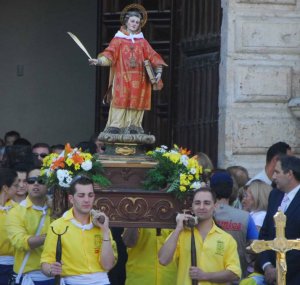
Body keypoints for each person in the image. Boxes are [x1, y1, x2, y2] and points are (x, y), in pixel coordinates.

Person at [89, 4, 167, 135]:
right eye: (132, 21)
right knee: (120, 99)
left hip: (140, 79)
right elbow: (109, 55)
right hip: (122, 77)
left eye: (137, 22)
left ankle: (134, 125)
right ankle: (116, 125)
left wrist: (158, 72)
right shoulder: (118, 39)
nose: (135, 24)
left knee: (136, 101)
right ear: (126, 21)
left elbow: (153, 56)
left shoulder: (142, 42)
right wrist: (98, 61)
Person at [41, 175, 117, 285]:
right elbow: (45, 263)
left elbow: (108, 265)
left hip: (102, 281)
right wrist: (51, 269)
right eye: (81, 195)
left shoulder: (102, 223)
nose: (86, 200)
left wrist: (105, 231)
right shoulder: (58, 226)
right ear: (71, 199)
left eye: (90, 195)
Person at [158, 188, 241, 285]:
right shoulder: (181, 233)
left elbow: (234, 273)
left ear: (215, 206)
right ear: (192, 206)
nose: (201, 207)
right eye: (197, 203)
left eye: (206, 203)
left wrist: (205, 275)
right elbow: (163, 260)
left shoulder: (227, 239)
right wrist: (178, 229)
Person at [6, 167, 54, 285]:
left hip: (56, 276)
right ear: (27, 185)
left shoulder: (57, 209)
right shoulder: (16, 212)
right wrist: (52, 236)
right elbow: (20, 242)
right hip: (28, 277)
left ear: (48, 184)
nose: (36, 183)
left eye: (41, 180)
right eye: (32, 181)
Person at [258, 155, 300, 285]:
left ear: (290, 174)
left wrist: (281, 270)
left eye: (277, 172)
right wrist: (267, 266)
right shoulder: (274, 195)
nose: (273, 177)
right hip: (270, 276)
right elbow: (265, 233)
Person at [210, 171, 258, 279]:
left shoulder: (203, 216)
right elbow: (256, 247)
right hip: (237, 277)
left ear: (211, 190)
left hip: (206, 277)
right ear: (232, 190)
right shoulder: (245, 217)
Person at [0, 168, 18, 285]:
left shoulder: (17, 209)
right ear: (6, 188)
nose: (18, 188)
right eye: (15, 185)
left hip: (14, 266)